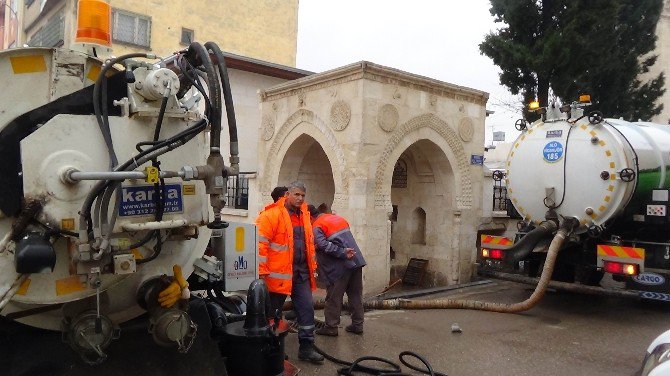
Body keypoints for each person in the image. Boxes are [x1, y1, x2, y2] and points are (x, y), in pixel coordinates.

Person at [255, 181, 324, 363]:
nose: (300, 198)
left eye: (303, 195)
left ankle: (307, 348)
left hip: (301, 274)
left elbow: (308, 245)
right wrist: (261, 273)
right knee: (273, 315)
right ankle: (273, 350)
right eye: (297, 195)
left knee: (306, 310)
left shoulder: (305, 215)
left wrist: (312, 270)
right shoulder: (271, 215)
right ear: (288, 195)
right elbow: (260, 245)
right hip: (277, 276)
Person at [308, 205, 366, 337]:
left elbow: (323, 245)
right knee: (355, 295)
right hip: (356, 262)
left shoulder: (317, 225)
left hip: (339, 267)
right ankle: (358, 325)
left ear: (310, 217)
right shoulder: (337, 218)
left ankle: (331, 327)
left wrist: (341, 253)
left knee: (334, 297)